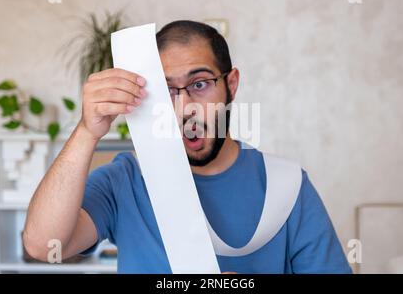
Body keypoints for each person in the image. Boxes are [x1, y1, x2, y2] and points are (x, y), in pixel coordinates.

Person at [23, 20, 352, 274]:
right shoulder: (124, 181)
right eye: (167, 91)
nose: (185, 107)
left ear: (231, 84)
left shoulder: (289, 185)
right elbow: (44, 246)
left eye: (200, 84)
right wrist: (86, 131)